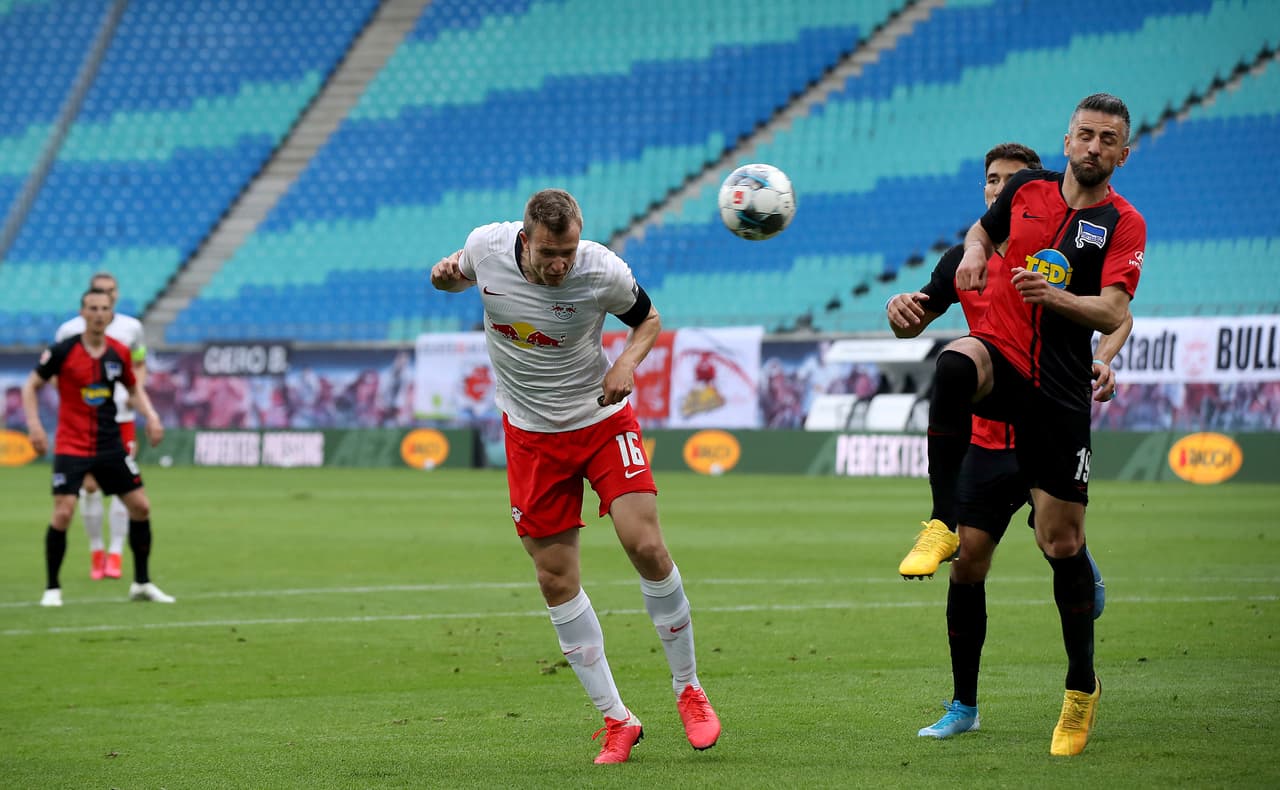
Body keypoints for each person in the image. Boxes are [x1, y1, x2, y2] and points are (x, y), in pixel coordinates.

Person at [430, 189, 720, 764]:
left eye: (567, 250)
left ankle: (688, 688)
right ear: (524, 238)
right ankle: (617, 720)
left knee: (648, 547)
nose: (559, 263)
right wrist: (445, 278)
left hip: (600, 421)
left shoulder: (602, 269)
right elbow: (456, 276)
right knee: (555, 580)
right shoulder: (484, 246)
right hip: (530, 435)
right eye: (547, 253)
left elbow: (648, 320)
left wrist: (625, 365)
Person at [914, 94, 1146, 756]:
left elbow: (1114, 312)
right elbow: (931, 300)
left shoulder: (1117, 224)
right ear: (1068, 140)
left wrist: (1087, 337)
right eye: (1085, 135)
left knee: (1062, 543)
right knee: (970, 563)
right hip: (992, 429)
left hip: (1058, 405)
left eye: (1108, 139)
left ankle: (1080, 690)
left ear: (1120, 154)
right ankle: (963, 704)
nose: (1094, 146)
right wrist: (913, 304)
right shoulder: (997, 228)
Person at [23, 288, 174, 607]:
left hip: (109, 444)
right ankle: (52, 588)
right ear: (82, 312)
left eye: (104, 308)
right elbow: (30, 386)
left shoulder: (118, 351)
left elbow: (133, 390)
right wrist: (36, 427)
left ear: (111, 313)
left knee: (141, 507)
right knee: (63, 512)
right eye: (92, 308)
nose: (98, 314)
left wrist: (151, 416)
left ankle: (141, 584)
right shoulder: (63, 350)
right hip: (72, 444)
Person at [54, 271, 147, 582]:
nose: (104, 299)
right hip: (85, 423)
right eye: (99, 293)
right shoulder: (68, 331)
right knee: (90, 489)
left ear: (116, 295)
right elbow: (56, 371)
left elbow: (139, 364)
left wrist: (137, 395)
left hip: (122, 420)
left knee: (126, 491)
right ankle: (97, 549)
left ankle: (117, 552)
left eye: (110, 292)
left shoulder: (132, 328)